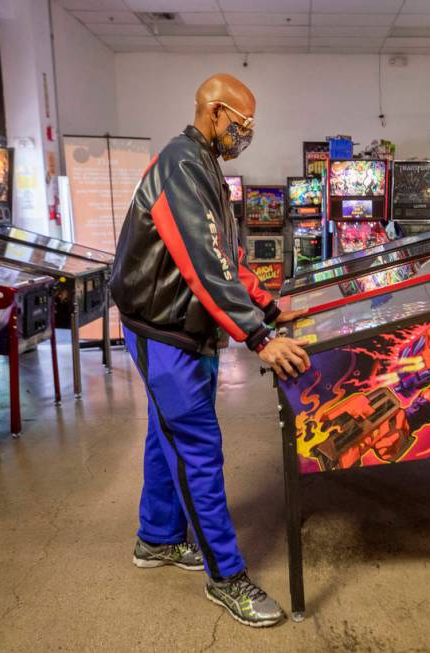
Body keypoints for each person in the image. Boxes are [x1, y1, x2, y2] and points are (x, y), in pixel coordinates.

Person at [110, 73, 310, 628]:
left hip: (173, 326)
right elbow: (202, 267)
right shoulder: (181, 165)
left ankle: (156, 539)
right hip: (165, 330)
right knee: (199, 449)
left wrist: (270, 307)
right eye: (242, 126)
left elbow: (226, 260)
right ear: (215, 112)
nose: (245, 136)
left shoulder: (203, 168)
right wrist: (261, 338)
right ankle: (226, 577)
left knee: (164, 432)